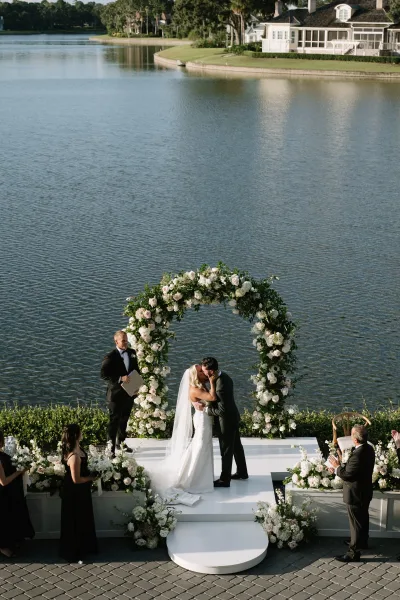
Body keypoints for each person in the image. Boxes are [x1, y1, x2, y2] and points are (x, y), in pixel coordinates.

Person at [150, 365, 217, 501]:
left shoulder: (198, 385)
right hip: (202, 420)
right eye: (200, 371)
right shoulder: (195, 389)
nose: (203, 371)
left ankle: (202, 476)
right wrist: (212, 381)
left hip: (203, 418)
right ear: (195, 375)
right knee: (200, 447)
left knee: (203, 446)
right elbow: (212, 397)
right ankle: (192, 478)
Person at [195, 357, 248, 488]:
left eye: (204, 371)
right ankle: (242, 472)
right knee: (236, 446)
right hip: (233, 416)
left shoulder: (220, 384)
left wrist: (206, 409)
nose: (203, 373)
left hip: (227, 421)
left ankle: (225, 480)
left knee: (226, 450)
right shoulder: (224, 376)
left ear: (211, 371)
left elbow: (222, 410)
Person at [328, 425, 375, 563]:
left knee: (355, 523)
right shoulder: (369, 449)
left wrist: (336, 467)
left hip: (355, 493)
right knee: (363, 518)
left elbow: (348, 475)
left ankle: (353, 553)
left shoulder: (358, 455)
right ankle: (362, 542)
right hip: (365, 491)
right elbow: (355, 470)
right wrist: (341, 465)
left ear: (355, 439)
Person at [59, 424, 98, 563]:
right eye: (80, 432)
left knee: (83, 518)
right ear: (76, 435)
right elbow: (76, 479)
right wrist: (91, 478)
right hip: (75, 492)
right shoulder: (74, 456)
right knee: (76, 519)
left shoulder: (78, 448)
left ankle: (85, 547)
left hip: (82, 491)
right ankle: (75, 550)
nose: (82, 433)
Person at [101, 330, 140, 455]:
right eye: (123, 340)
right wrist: (120, 378)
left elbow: (136, 370)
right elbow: (103, 375)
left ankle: (121, 444)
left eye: (126, 339)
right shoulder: (110, 357)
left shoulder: (132, 353)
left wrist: (136, 386)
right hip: (115, 395)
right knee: (114, 422)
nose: (125, 342)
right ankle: (110, 450)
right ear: (116, 341)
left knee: (124, 419)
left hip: (129, 393)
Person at [0, 430, 35, 558]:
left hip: (8, 494)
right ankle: (3, 547)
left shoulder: (3, 455)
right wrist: (19, 472)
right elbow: (3, 482)